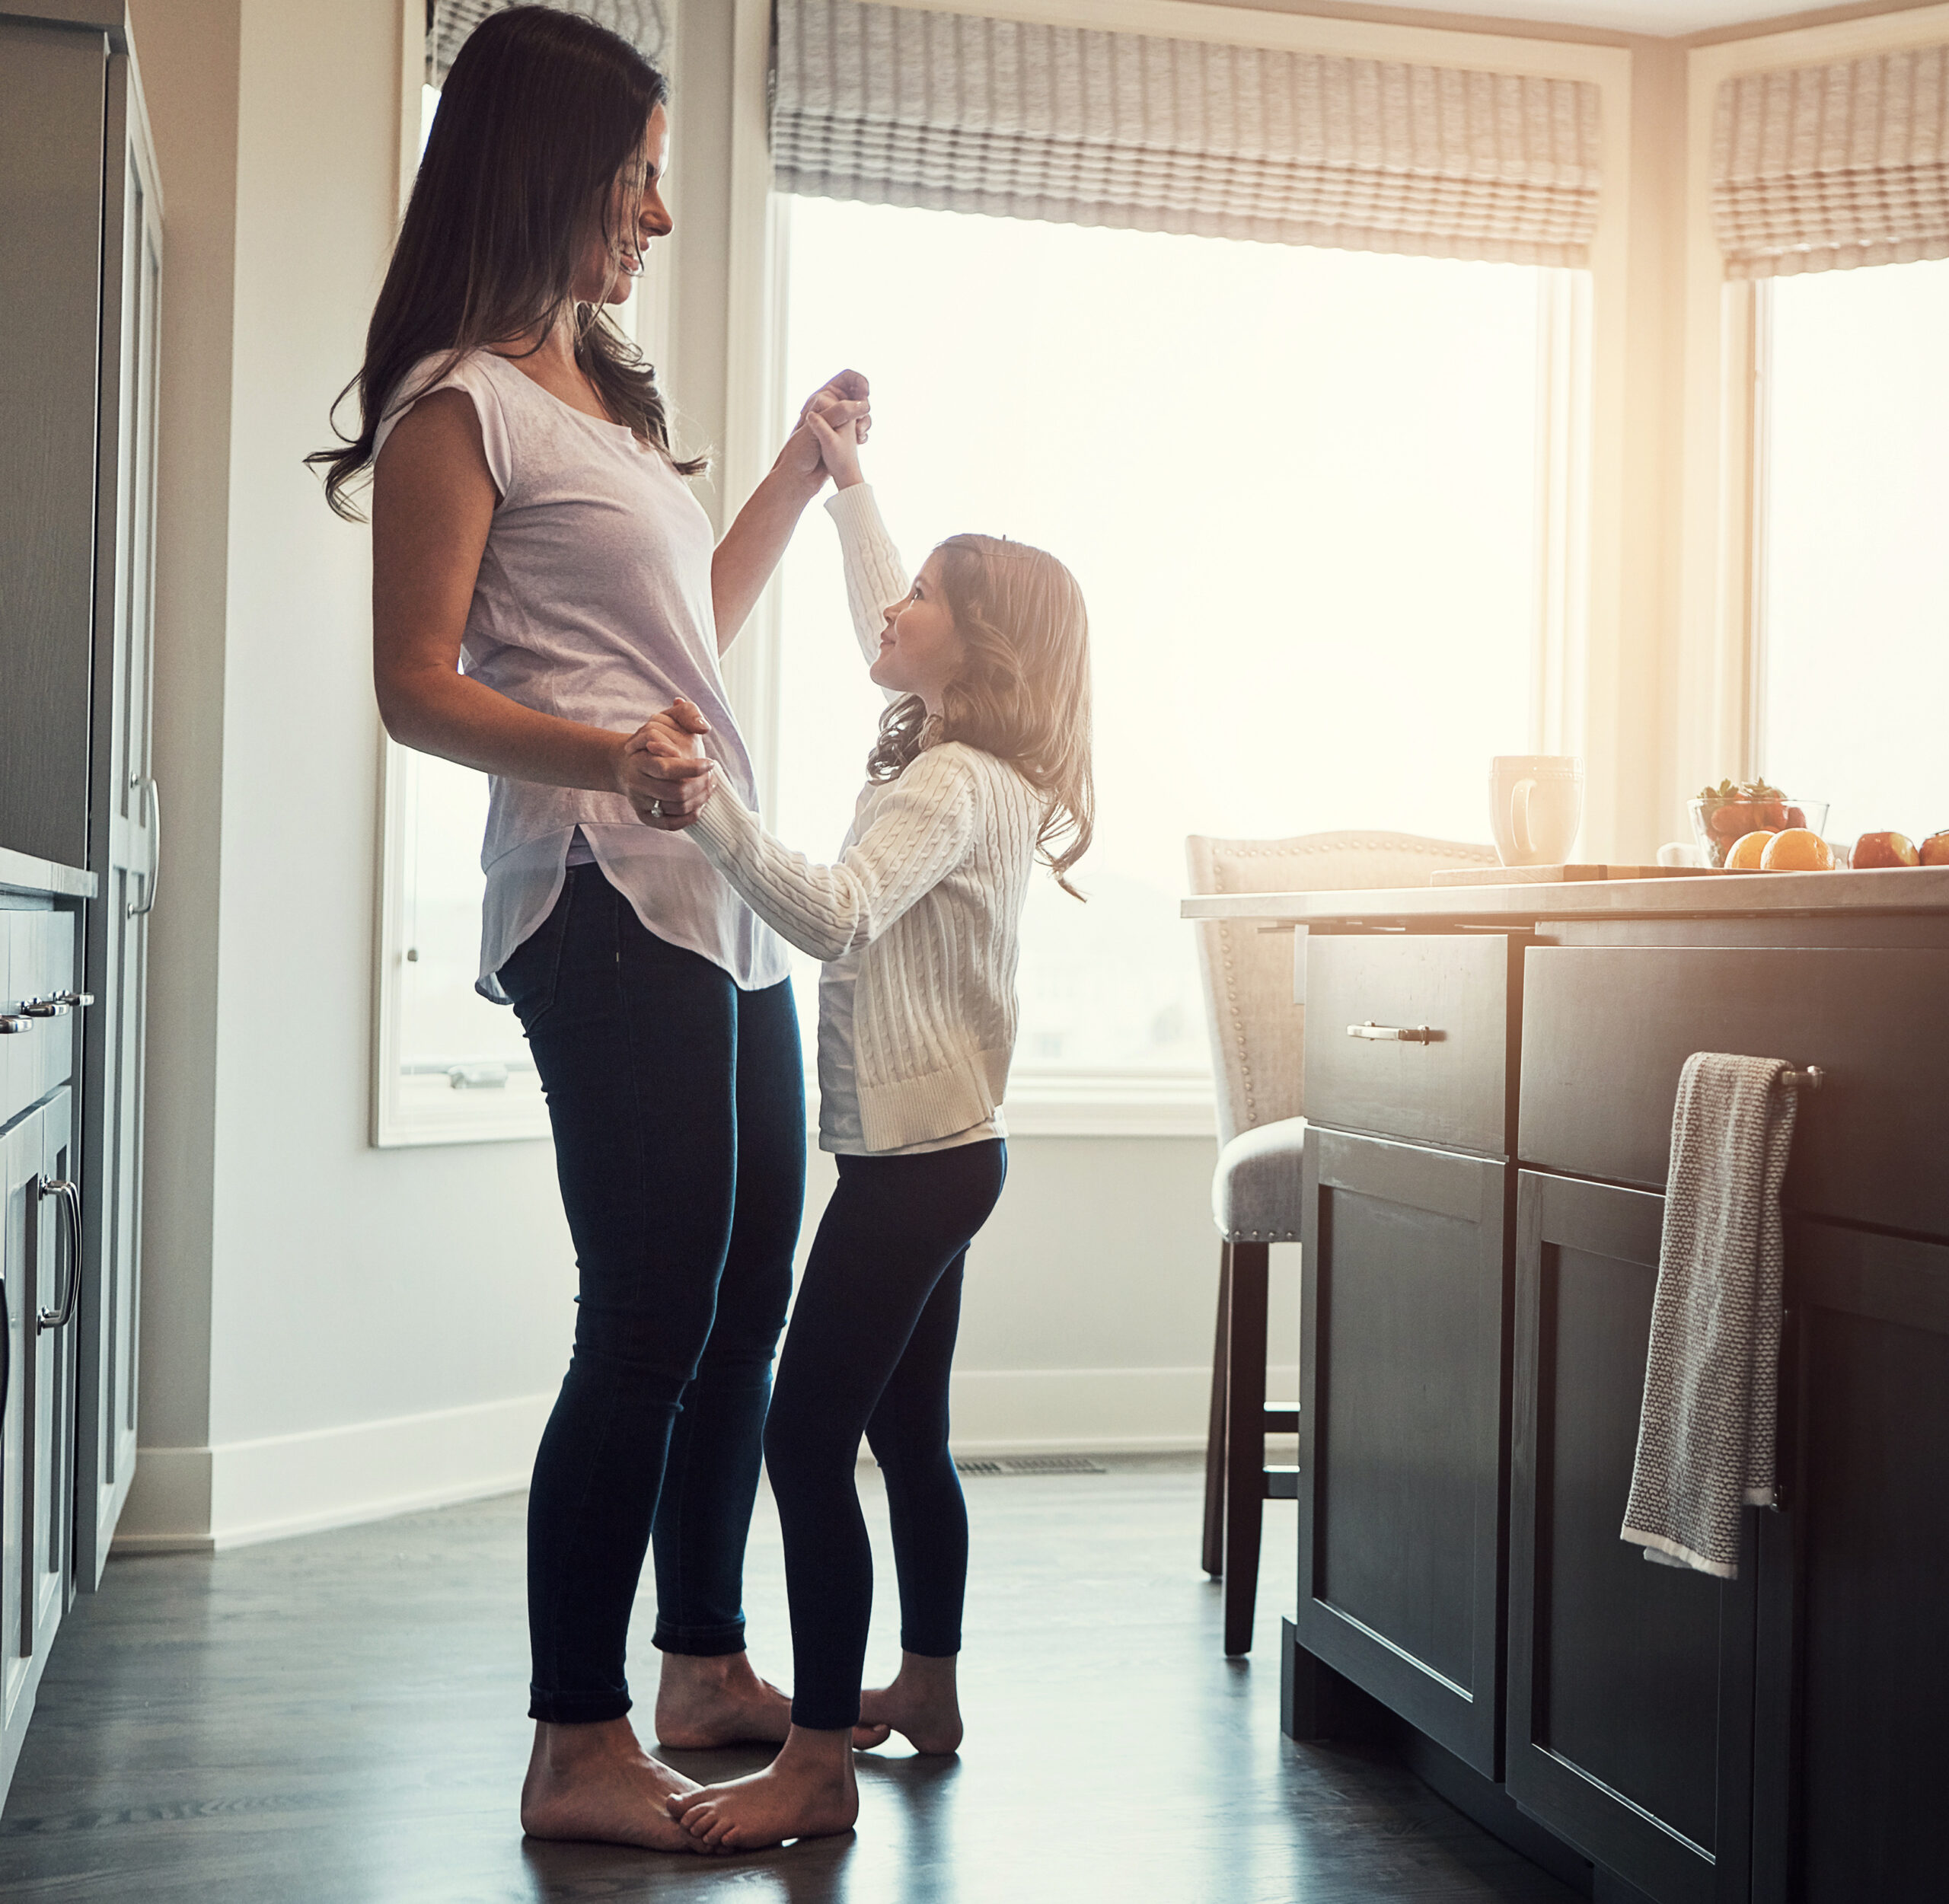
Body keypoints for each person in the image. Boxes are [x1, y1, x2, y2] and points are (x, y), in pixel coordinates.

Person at [308, 6, 872, 1852]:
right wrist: (605, 765)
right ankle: (572, 1738)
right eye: (639, 174)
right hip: (596, 891)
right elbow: (415, 685)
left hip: (719, 894)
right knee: (644, 1311)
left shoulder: (599, 404)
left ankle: (702, 1662)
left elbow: (673, 640)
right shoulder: (456, 402)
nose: (658, 212)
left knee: (742, 1304)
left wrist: (787, 473)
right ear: (552, 167)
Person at [627, 406, 1095, 1851]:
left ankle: (817, 1760)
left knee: (807, 1437)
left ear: (977, 651)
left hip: (912, 1172)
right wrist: (848, 494)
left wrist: (705, 814)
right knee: (909, 1429)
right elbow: (888, 611)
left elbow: (832, 911)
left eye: (924, 601)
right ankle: (931, 1692)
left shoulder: (948, 783)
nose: (892, 613)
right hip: (956, 1149)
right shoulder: (986, 763)